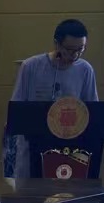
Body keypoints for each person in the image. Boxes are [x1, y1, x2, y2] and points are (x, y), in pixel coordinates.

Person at [5, 19, 99, 178]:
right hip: (32, 145)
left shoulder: (85, 70)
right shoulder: (31, 66)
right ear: (57, 44)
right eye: (70, 50)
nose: (75, 55)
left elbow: (92, 110)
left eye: (80, 49)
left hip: (69, 147)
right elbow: (17, 108)